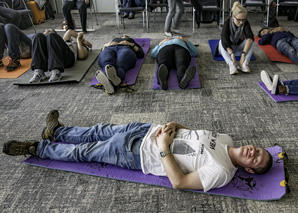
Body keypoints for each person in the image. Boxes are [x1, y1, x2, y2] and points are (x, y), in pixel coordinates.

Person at [3, 110, 273, 192]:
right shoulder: (226, 138)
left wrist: (164, 147)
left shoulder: (223, 172)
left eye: (257, 158)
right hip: (146, 128)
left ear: (249, 169)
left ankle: (36, 148)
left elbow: (179, 182)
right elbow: (194, 133)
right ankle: (57, 132)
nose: (254, 151)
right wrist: (175, 125)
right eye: (259, 149)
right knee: (97, 129)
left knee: (85, 151)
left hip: (138, 152)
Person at [218, 1, 254, 75]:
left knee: (251, 41)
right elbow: (224, 39)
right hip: (227, 50)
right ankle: (231, 65)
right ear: (233, 17)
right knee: (221, 41)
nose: (241, 22)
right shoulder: (227, 23)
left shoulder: (245, 23)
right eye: (239, 20)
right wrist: (232, 55)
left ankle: (244, 64)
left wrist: (243, 55)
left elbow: (250, 37)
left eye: (243, 20)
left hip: (238, 49)